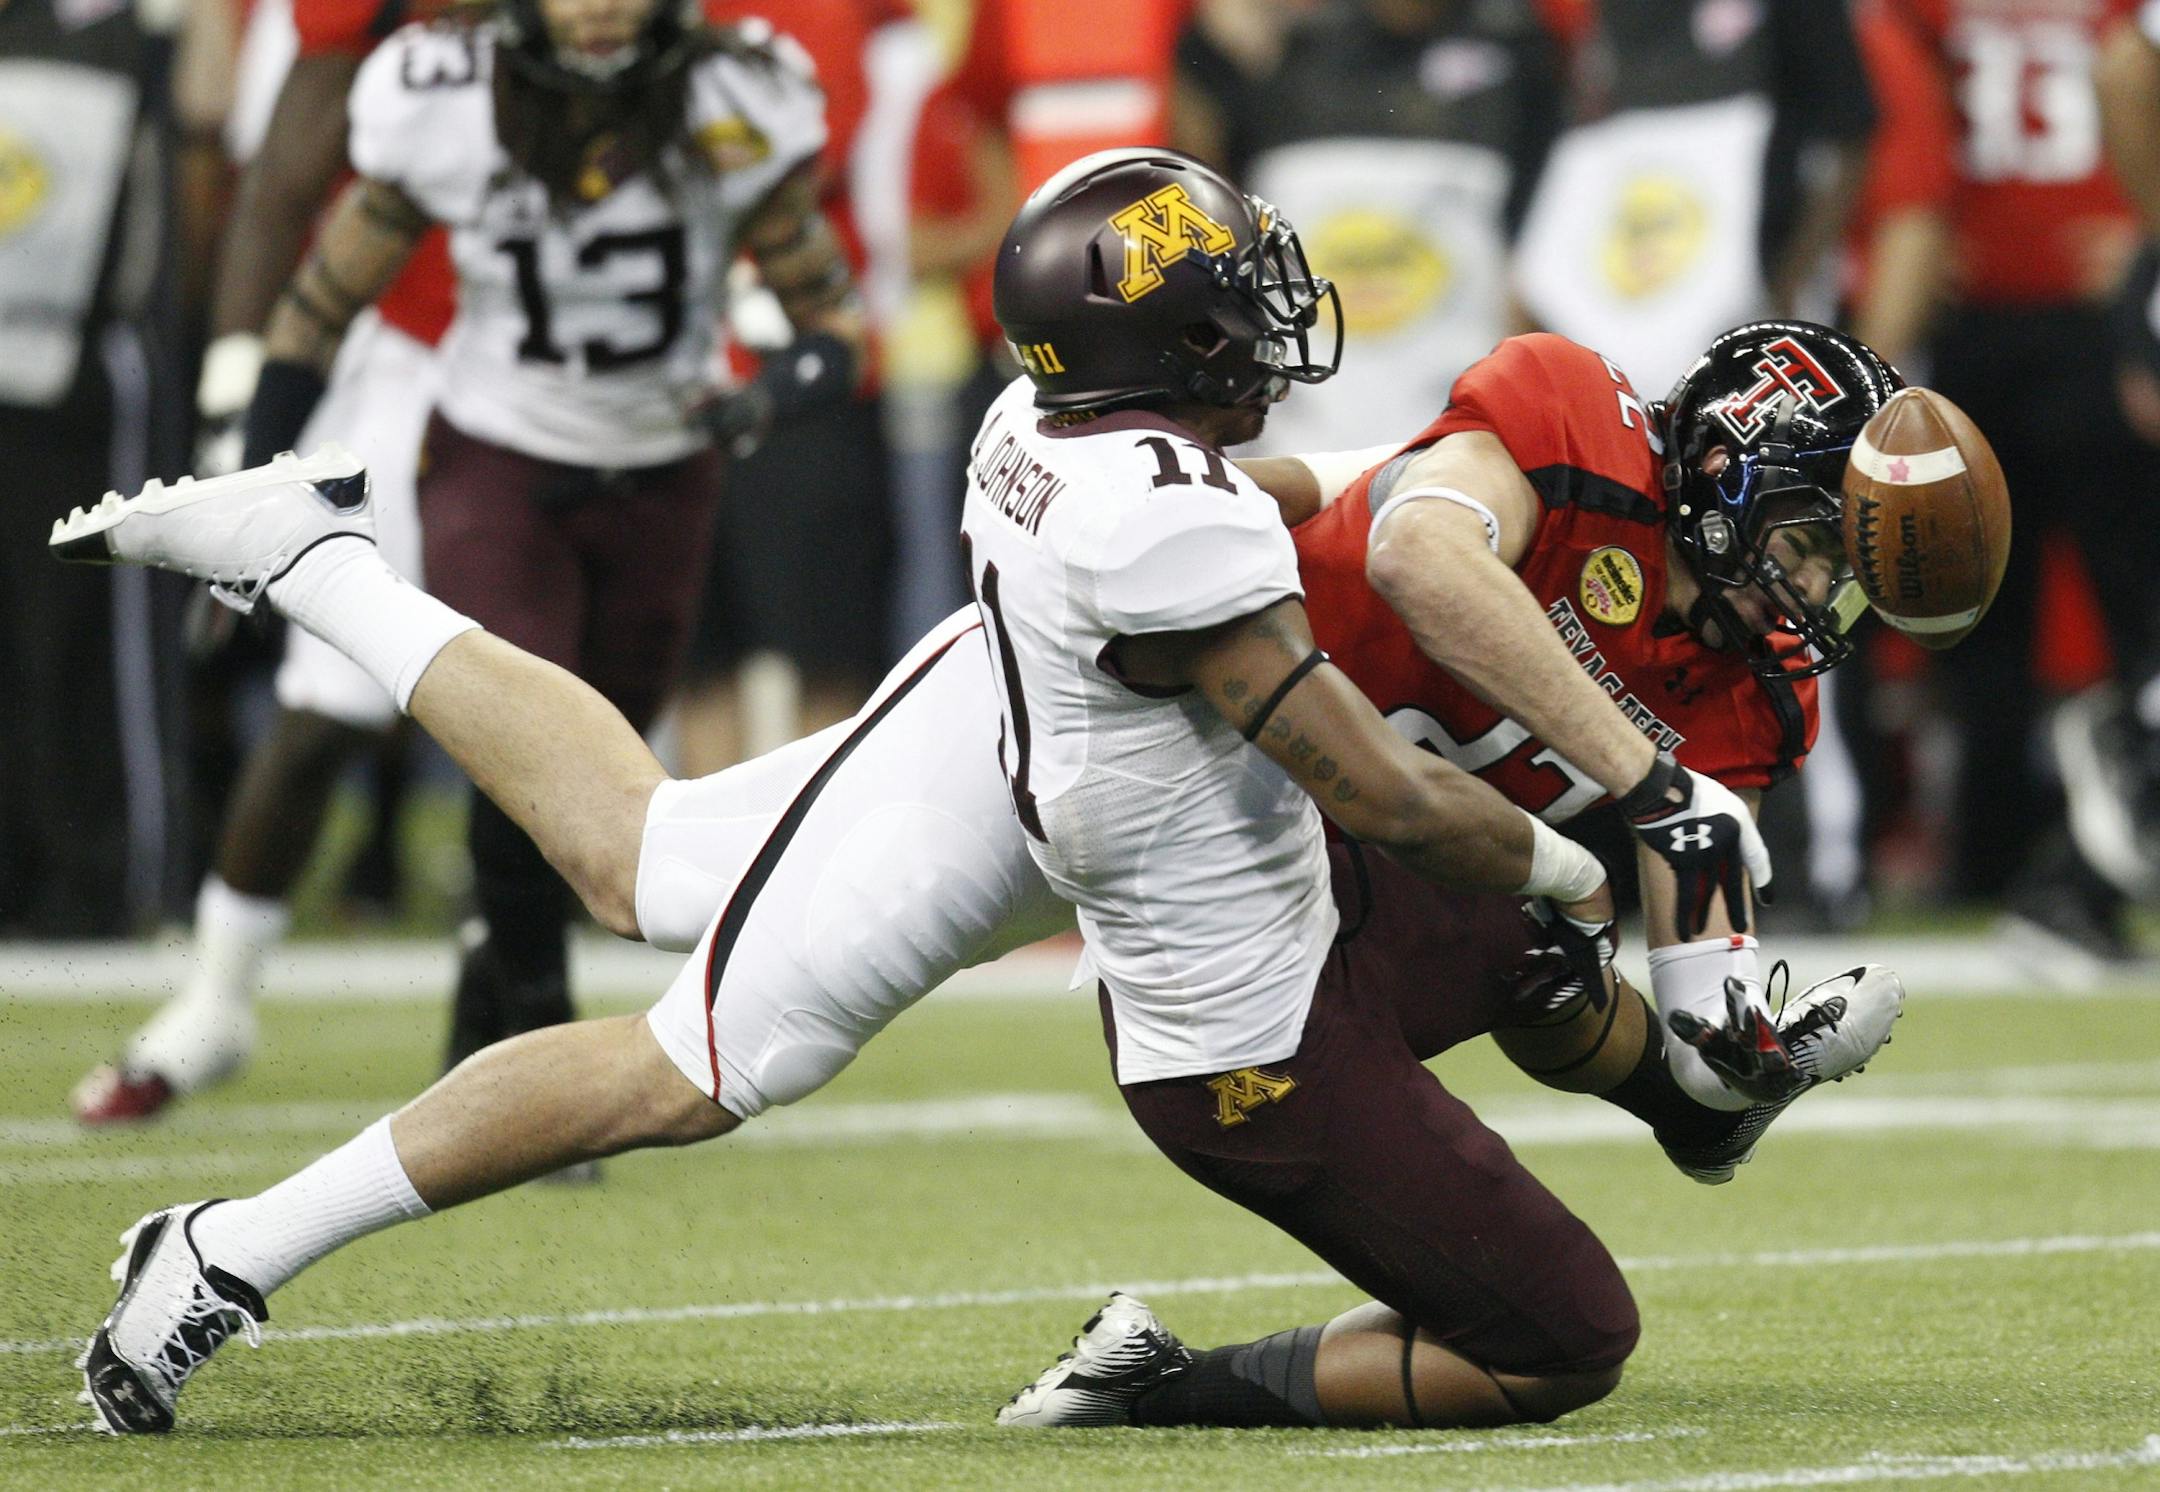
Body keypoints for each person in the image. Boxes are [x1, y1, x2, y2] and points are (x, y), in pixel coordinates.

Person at [57, 151, 1905, 1438]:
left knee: (645, 849)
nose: (1271, 321)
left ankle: (313, 562)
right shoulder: (1162, 521)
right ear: (1154, 348)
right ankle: (224, 1249)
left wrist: (1631, 863)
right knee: (685, 1064)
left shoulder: (1056, 425)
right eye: (1230, 304)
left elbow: (1307, 513)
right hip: (1168, 884)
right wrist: (1617, 855)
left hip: (1010, 733)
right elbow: (1384, 792)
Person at [72, 0, 459, 1125]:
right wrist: (236, 412)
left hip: (609, 388)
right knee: (326, 699)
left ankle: (529, 1004)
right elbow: (282, 182)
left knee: (594, 695)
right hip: (423, 353)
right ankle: (219, 995)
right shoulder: (386, 33)